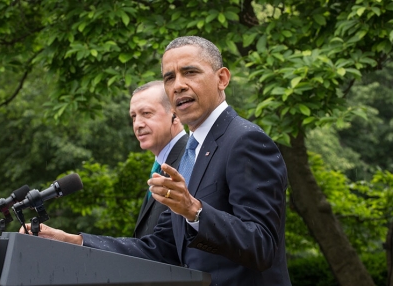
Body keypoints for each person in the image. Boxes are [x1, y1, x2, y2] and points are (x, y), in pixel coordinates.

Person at [20, 36, 291, 285]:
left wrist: (195, 211)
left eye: (190, 72)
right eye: (169, 77)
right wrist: (73, 241)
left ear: (222, 78)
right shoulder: (192, 152)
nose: (178, 85)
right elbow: (160, 248)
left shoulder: (245, 140)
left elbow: (263, 245)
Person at [129, 80, 188, 238]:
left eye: (146, 113)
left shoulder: (190, 159)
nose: (138, 124)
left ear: (175, 115)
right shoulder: (161, 165)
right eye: (134, 116)